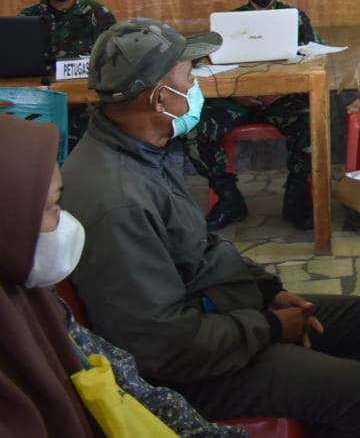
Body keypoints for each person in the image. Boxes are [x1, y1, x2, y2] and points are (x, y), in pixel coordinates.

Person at [60, 18, 360, 437]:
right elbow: (162, 346)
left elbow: (197, 247)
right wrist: (268, 327)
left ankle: (318, 417)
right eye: (189, 75)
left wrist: (267, 290)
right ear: (160, 98)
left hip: (208, 319)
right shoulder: (116, 201)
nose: (195, 85)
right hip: (185, 375)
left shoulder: (141, 149)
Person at [1, 113, 247, 438]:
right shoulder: (117, 201)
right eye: (51, 207)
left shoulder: (37, 298)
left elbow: (130, 386)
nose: (65, 223)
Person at [191, 0, 320, 230]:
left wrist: (282, 90)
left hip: (281, 100)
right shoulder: (229, 23)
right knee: (192, 127)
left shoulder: (295, 18)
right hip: (239, 101)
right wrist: (237, 93)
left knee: (311, 120)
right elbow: (212, 65)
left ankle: (295, 199)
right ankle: (228, 199)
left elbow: (315, 58)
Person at [19, 0, 117, 149]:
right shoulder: (27, 19)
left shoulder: (98, 15)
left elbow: (111, 65)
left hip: (88, 102)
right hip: (42, 102)